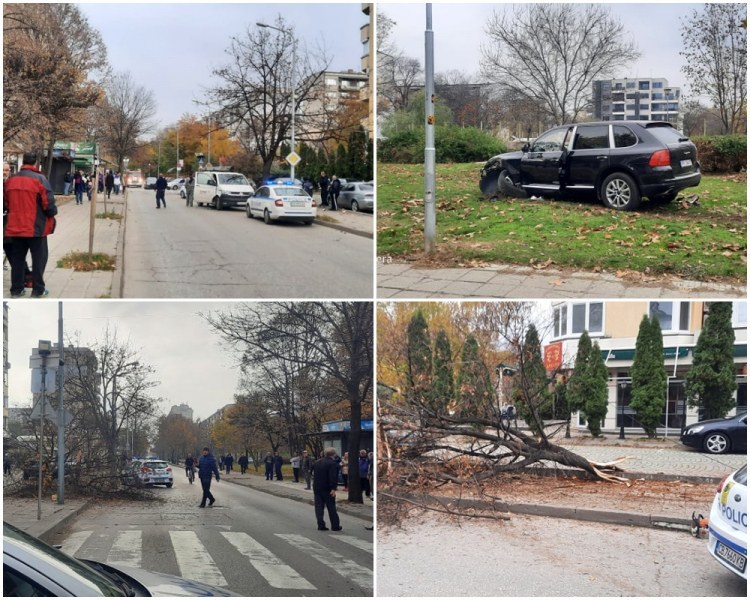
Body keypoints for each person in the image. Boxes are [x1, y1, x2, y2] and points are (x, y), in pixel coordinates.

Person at [4, 152, 57, 298]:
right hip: (35, 227)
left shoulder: (10, 181)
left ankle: (16, 289)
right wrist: (52, 213)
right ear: (35, 163)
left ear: (23, 163)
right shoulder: (40, 179)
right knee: (39, 258)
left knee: (18, 259)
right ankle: (37, 290)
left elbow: (6, 202)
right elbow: (48, 203)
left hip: (15, 226)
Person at [312, 447, 342, 531]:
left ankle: (320, 525)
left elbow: (312, 472)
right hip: (327, 488)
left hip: (317, 487)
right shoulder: (332, 464)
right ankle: (335, 525)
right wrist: (333, 488)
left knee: (318, 507)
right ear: (334, 454)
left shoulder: (317, 462)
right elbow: (333, 477)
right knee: (331, 507)